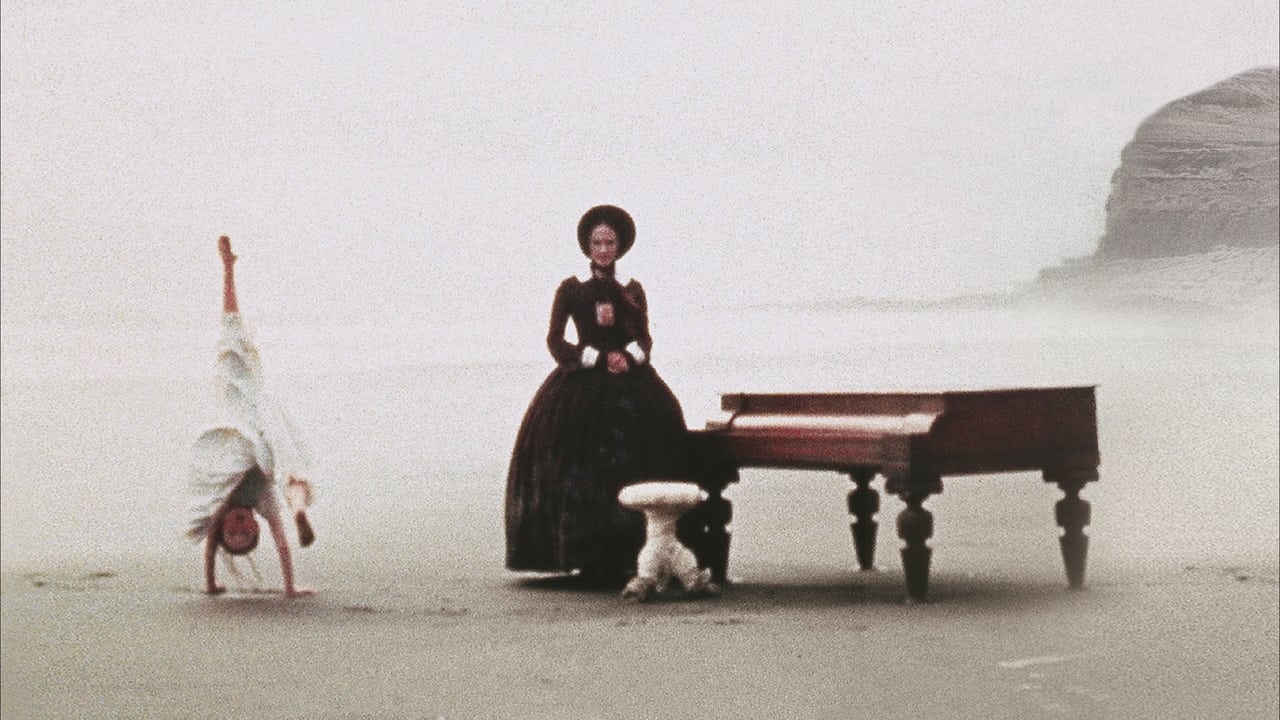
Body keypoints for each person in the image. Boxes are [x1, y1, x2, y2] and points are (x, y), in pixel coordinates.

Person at [505, 205, 690, 581]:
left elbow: (644, 338)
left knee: (662, 423)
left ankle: (635, 551)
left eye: (610, 243)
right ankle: (586, 554)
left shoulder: (632, 288)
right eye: (597, 243)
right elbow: (555, 340)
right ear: (587, 246)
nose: (603, 250)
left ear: (619, 246)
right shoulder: (572, 288)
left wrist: (629, 357)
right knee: (578, 455)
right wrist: (596, 358)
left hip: (631, 380)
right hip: (583, 384)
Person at [187, 235, 316, 597]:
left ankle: (228, 270)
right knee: (294, 477)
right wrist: (290, 589)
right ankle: (299, 510)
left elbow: (209, 552)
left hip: (242, 424)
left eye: (233, 532)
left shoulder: (220, 502)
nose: (240, 527)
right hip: (258, 432)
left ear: (222, 528)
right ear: (256, 528)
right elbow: (283, 545)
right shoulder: (264, 504)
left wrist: (211, 584)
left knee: (232, 343)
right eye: (246, 533)